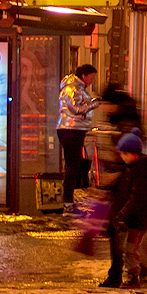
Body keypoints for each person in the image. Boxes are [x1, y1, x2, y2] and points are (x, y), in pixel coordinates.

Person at [108, 129, 147, 289]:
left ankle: (133, 277)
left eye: (124, 154)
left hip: (138, 220)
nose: (122, 157)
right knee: (130, 249)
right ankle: (133, 275)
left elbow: (136, 198)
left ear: (133, 154)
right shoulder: (136, 169)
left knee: (130, 250)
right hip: (137, 219)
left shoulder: (139, 172)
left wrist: (122, 214)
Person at [56, 64, 98, 214]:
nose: (92, 81)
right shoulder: (71, 89)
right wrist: (93, 105)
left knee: (74, 165)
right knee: (72, 166)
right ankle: (67, 203)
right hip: (71, 129)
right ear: (84, 75)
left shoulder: (77, 89)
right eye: (91, 78)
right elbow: (75, 109)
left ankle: (69, 201)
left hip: (75, 129)